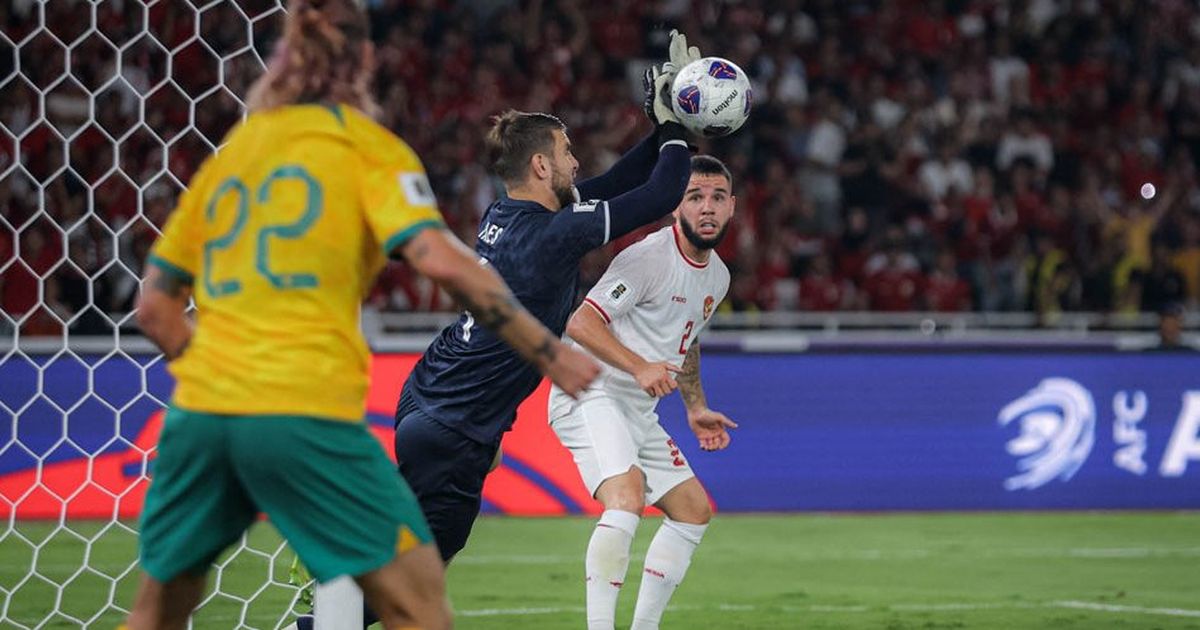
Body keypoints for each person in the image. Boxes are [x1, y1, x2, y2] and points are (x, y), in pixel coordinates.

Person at [124, 2, 598, 628]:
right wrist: (552, 353)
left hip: (200, 414)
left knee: (159, 610)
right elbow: (445, 263)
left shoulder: (237, 153)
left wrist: (219, 375)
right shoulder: (367, 148)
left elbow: (154, 308)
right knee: (421, 601)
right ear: (365, 64)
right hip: (302, 409)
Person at [548, 155, 738, 630]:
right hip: (587, 391)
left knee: (693, 511)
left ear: (732, 207)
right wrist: (638, 367)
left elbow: (686, 340)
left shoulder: (718, 276)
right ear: (677, 206)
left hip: (635, 406)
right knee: (627, 498)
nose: (707, 208)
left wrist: (695, 408)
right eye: (695, 197)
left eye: (717, 197)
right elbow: (581, 322)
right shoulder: (648, 257)